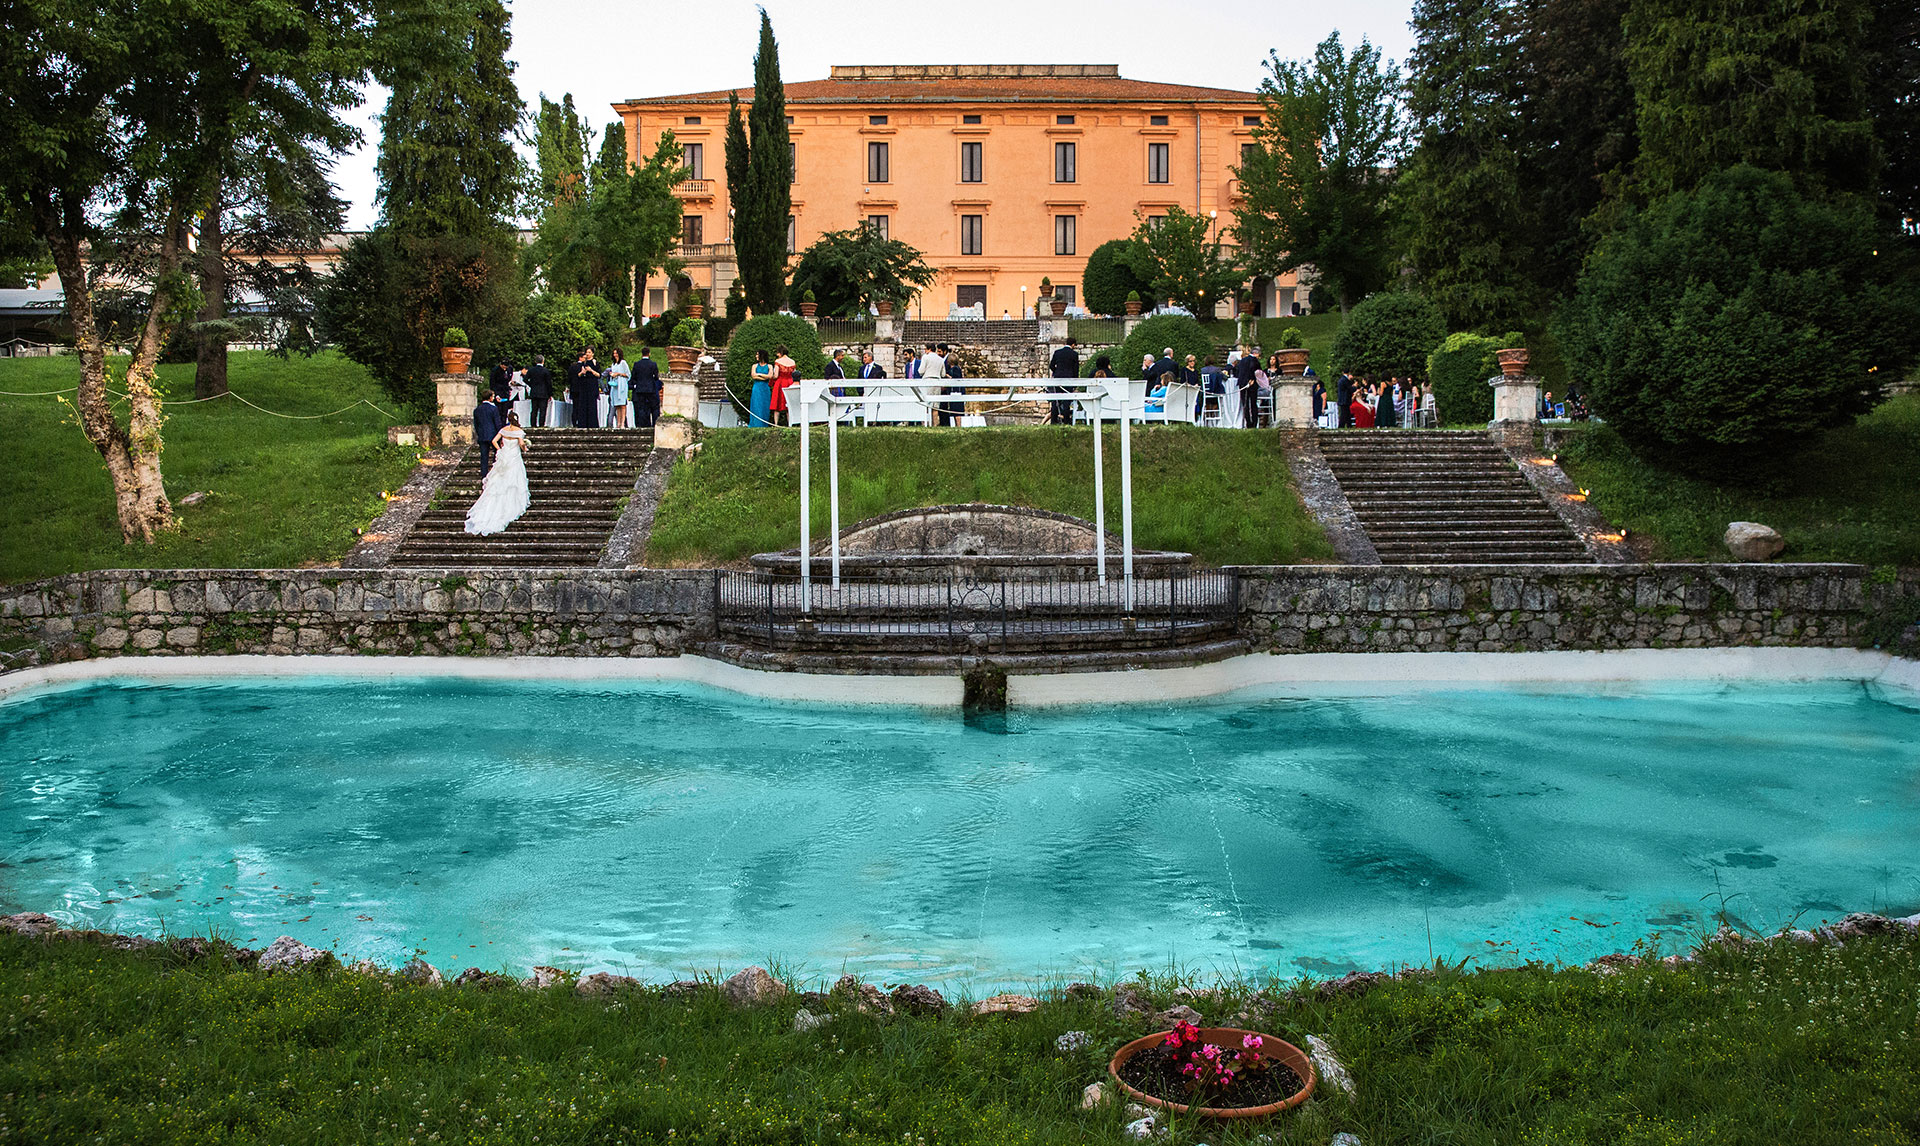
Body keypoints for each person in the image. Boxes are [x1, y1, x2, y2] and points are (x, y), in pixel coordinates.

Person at [464, 411, 531, 536]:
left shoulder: (503, 430)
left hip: (504, 455)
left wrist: (500, 449)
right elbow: (521, 443)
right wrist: (525, 448)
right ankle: (513, 502)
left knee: (500, 477)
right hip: (514, 457)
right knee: (514, 478)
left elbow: (494, 441)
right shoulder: (519, 431)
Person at [472, 392, 508, 477]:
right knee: (496, 455)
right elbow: (497, 423)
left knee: (484, 457)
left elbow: (476, 424)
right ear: (490, 398)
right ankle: (496, 473)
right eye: (493, 396)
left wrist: (479, 433)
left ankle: (484, 475)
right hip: (493, 435)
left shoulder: (477, 409)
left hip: (482, 435)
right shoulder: (493, 408)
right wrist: (500, 435)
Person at [1048, 337, 1080, 424]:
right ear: (1073, 344)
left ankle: (1053, 421)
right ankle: (1066, 421)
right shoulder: (1074, 354)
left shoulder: (1057, 352)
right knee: (1066, 401)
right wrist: (1075, 382)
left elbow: (1051, 365)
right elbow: (1075, 369)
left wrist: (1056, 372)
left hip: (1057, 379)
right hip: (1068, 379)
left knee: (1055, 400)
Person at [568, 347, 601, 428]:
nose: (587, 354)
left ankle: (592, 423)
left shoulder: (595, 363)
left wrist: (591, 370)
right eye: (587, 352)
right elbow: (578, 375)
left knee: (592, 405)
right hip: (583, 385)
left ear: (592, 353)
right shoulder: (583, 363)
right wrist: (582, 372)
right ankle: (582, 423)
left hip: (592, 385)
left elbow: (599, 375)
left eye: (589, 352)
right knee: (582, 405)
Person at [631, 348, 661, 428]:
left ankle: (642, 425)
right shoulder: (653, 364)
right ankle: (653, 424)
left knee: (642, 408)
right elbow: (656, 377)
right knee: (653, 407)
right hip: (650, 389)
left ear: (642, 354)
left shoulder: (637, 364)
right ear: (649, 354)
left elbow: (634, 376)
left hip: (640, 389)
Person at [938, 345, 965, 426]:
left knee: (957, 411)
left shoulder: (956, 369)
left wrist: (947, 375)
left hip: (956, 392)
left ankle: (958, 425)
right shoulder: (954, 368)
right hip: (953, 392)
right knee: (953, 410)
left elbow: (956, 378)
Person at [1233, 343, 1259, 427]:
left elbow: (1237, 372)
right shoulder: (1254, 360)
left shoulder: (1242, 361)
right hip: (1251, 383)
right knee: (1253, 403)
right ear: (1256, 353)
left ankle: (1248, 422)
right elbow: (1258, 372)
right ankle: (1254, 422)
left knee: (1245, 404)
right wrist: (1252, 379)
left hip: (1242, 384)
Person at [605, 348, 631, 429]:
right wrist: (612, 375)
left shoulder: (623, 363)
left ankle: (622, 423)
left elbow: (628, 374)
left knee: (622, 404)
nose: (615, 355)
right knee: (617, 405)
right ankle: (618, 423)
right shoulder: (613, 364)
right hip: (615, 385)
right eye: (614, 353)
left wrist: (618, 374)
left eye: (616, 353)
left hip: (622, 384)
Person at [748, 349, 775, 427]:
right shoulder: (754, 366)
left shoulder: (770, 366)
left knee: (764, 406)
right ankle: (755, 424)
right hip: (757, 388)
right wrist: (764, 376)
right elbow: (753, 375)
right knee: (756, 405)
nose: (756, 356)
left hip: (765, 388)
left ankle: (763, 424)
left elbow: (770, 376)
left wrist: (759, 374)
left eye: (757, 354)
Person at [772, 344, 796, 426]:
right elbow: (794, 374)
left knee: (777, 404)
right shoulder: (792, 362)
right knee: (789, 405)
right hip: (790, 382)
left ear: (780, 352)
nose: (777, 355)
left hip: (780, 382)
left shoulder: (778, 362)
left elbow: (776, 375)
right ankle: (790, 424)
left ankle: (776, 423)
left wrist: (771, 377)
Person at [526, 354, 553, 428]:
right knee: (542, 410)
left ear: (535, 361)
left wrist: (531, 384)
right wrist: (550, 393)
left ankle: (533, 424)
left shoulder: (531, 370)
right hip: (543, 393)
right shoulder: (546, 371)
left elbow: (525, 379)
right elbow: (549, 383)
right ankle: (541, 424)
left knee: (534, 409)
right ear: (543, 361)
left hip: (534, 392)